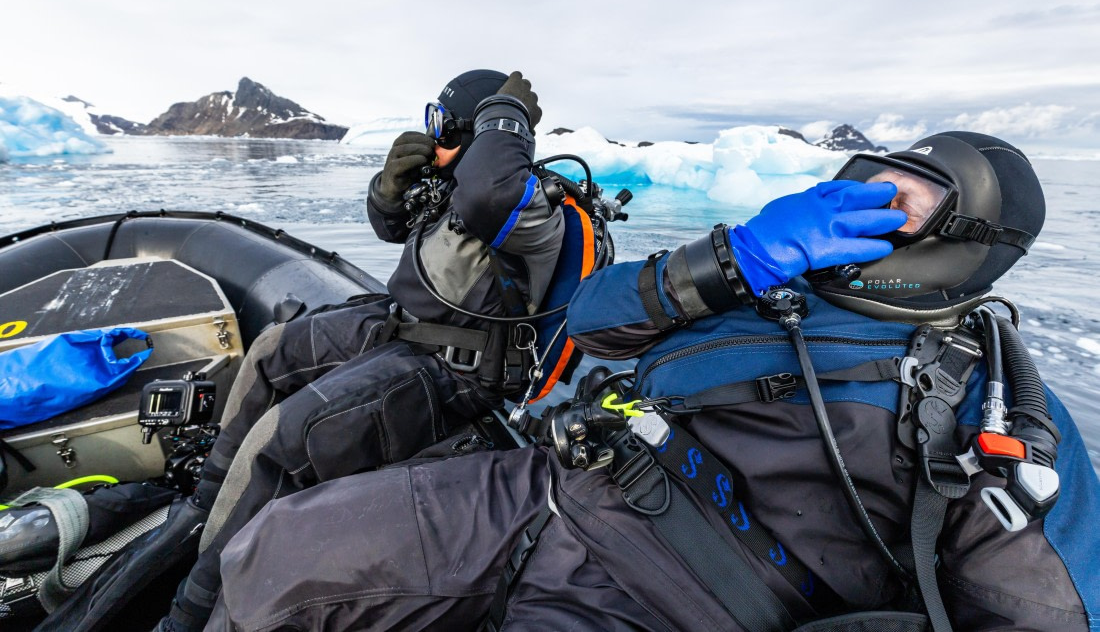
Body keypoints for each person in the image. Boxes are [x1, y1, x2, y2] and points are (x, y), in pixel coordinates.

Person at [204, 131, 1100, 632]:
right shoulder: (762, 281)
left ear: (967, 240)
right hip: (557, 484)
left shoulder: (991, 399)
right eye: (867, 178)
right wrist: (735, 258)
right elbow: (591, 320)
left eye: (905, 198)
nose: (867, 198)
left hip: (684, 590)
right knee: (272, 554)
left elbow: (1040, 609)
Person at [133, 69, 564, 632]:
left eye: (444, 128)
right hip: (400, 325)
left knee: (286, 438)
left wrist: (506, 119)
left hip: (453, 370)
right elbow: (393, 227)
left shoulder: (529, 209)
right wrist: (387, 190)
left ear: (481, 135)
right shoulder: (452, 188)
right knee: (271, 350)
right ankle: (205, 508)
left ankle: (192, 609)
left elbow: (491, 193)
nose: (432, 138)